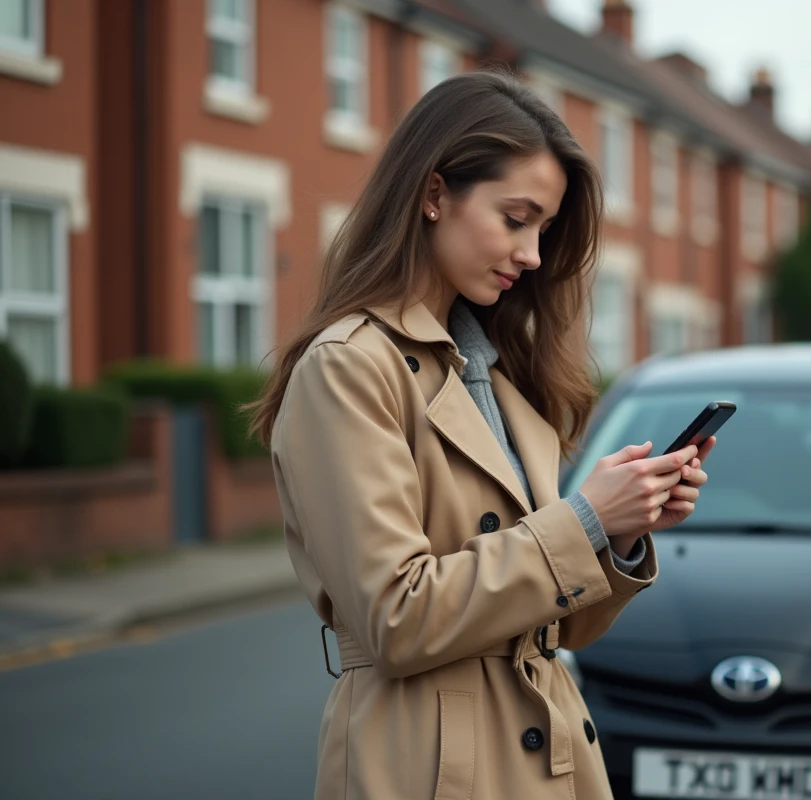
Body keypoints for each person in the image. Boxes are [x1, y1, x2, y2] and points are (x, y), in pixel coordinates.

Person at [248, 70, 716, 800]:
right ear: (434, 195)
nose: (532, 253)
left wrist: (621, 533)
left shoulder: (501, 379)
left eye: (545, 229)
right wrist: (585, 517)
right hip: (424, 767)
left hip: (549, 760)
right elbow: (397, 620)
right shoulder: (346, 369)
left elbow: (551, 625)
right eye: (515, 217)